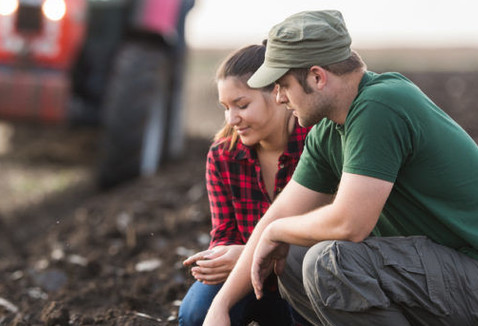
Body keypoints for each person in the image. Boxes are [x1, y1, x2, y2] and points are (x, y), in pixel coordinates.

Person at [203, 10, 478, 326]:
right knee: (292, 259)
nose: (278, 98)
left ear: (317, 77)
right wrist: (220, 306)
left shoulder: (380, 106)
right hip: (431, 275)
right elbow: (277, 215)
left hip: (468, 272)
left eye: (282, 85)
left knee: (330, 263)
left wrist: (276, 232)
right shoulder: (327, 132)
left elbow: (349, 224)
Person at [178, 43, 311, 325]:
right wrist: (219, 257)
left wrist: (252, 255)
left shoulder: (315, 144)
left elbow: (330, 234)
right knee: (195, 313)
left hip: (307, 282)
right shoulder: (223, 155)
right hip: (247, 282)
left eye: (242, 105)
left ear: (277, 93)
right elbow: (224, 232)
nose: (231, 119)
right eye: (226, 108)